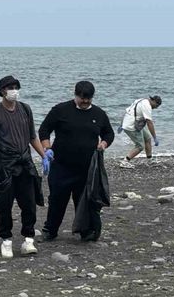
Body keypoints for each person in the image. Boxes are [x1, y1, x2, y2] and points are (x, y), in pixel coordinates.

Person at [38, 81, 115, 242]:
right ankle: (50, 230)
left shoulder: (99, 114)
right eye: (83, 98)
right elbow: (44, 129)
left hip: (86, 168)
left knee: (84, 201)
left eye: (89, 99)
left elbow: (109, 133)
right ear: (76, 95)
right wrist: (47, 148)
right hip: (61, 166)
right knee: (57, 199)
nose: (86, 101)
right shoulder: (60, 110)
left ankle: (85, 231)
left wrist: (104, 143)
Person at [0, 75, 50, 258]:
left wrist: (44, 156)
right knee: (4, 205)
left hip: (25, 164)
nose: (13, 90)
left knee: (29, 203)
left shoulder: (25, 109)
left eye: (15, 86)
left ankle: (28, 239)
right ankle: (6, 240)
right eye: (9, 87)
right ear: (2, 91)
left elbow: (32, 137)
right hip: (4, 166)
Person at [118, 95, 162, 169]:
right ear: (153, 101)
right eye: (156, 105)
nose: (156, 107)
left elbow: (127, 111)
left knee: (147, 138)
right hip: (131, 126)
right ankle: (125, 162)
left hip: (136, 123)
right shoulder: (147, 106)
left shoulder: (142, 100)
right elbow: (149, 123)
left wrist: (122, 124)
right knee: (140, 146)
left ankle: (149, 159)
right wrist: (155, 137)